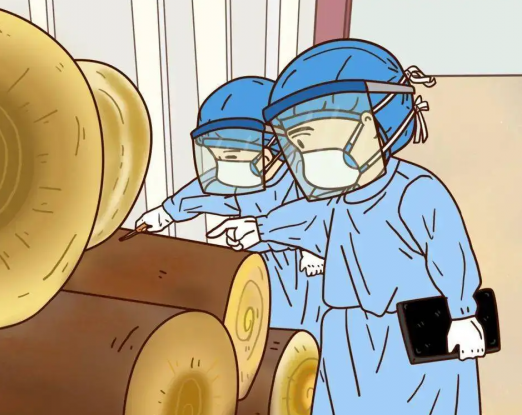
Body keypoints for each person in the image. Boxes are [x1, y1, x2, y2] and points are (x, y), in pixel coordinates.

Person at [208, 40, 484, 414]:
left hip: (411, 336)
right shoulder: (336, 202)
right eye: (299, 146)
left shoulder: (416, 192)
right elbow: (309, 220)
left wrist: (463, 313)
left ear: (368, 123)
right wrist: (259, 228)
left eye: (312, 140)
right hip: (345, 337)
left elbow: (450, 253)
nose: (308, 158)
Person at [136, 76, 327, 340]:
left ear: (271, 149)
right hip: (258, 266)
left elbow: (320, 217)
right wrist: (167, 212)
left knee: (300, 331)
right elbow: (205, 192)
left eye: (232, 156)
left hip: (298, 272)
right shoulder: (240, 183)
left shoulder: (304, 179)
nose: (224, 167)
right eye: (218, 156)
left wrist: (312, 250)